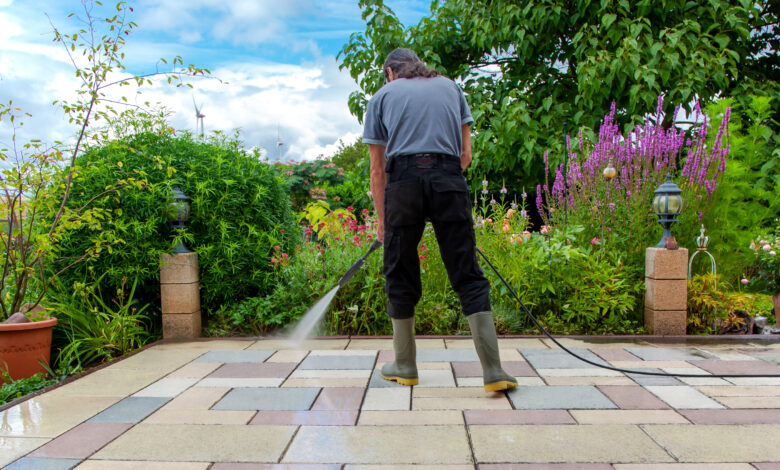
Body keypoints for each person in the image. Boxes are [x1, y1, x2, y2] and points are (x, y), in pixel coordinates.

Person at [362, 47, 518, 393]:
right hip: (448, 178)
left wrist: (383, 220)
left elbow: (376, 169)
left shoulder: (382, 97)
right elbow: (465, 155)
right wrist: (441, 180)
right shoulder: (451, 87)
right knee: (467, 272)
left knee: (399, 271)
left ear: (390, 72)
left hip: (402, 183)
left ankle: (405, 364)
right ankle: (493, 371)